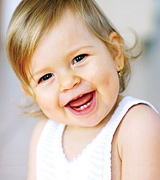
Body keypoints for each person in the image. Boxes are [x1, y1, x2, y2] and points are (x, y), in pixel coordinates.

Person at [6, 0, 160, 179]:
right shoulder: (43, 135)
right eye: (46, 77)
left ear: (115, 53)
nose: (68, 83)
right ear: (31, 93)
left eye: (79, 58)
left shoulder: (137, 126)